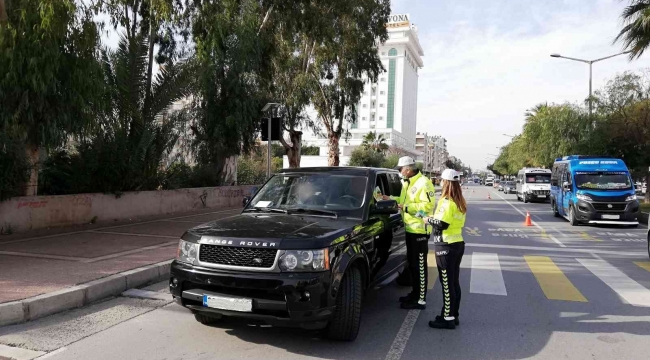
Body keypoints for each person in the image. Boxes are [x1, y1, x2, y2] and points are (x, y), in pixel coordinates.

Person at [384, 156, 436, 310]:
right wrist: (389, 199)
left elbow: (426, 207)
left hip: (419, 230)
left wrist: (406, 207)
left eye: (400, 169)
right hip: (410, 228)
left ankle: (420, 300)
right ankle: (415, 294)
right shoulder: (408, 183)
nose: (400, 172)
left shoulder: (424, 183)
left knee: (419, 266)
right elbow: (401, 200)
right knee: (413, 265)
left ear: (407, 169)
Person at [424, 168, 467, 330]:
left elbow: (442, 224)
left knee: (447, 283)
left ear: (446, 182)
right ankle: (453, 314)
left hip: (446, 246)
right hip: (457, 244)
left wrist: (428, 219)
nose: (440, 182)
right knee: (454, 282)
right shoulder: (460, 201)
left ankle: (447, 317)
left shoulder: (447, 202)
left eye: (442, 180)